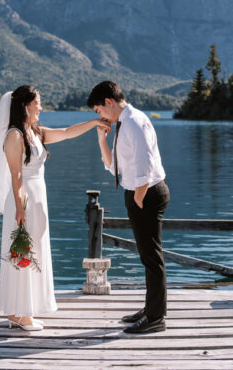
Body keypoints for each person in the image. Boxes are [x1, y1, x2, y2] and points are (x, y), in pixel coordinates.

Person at [0, 85, 109, 331]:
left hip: (38, 198)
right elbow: (16, 177)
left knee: (35, 252)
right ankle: (19, 313)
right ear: (26, 105)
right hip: (24, 199)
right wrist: (19, 209)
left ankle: (23, 311)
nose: (41, 107)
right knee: (23, 253)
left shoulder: (34, 131)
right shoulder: (14, 135)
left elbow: (67, 132)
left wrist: (94, 123)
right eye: (38, 102)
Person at [87, 81, 169, 334]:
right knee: (147, 256)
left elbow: (145, 164)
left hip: (146, 194)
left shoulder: (133, 122)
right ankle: (150, 309)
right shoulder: (124, 123)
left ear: (109, 102)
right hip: (138, 192)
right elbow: (114, 167)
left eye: (99, 110)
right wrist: (102, 139)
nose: (99, 115)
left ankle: (156, 318)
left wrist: (138, 198)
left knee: (152, 257)